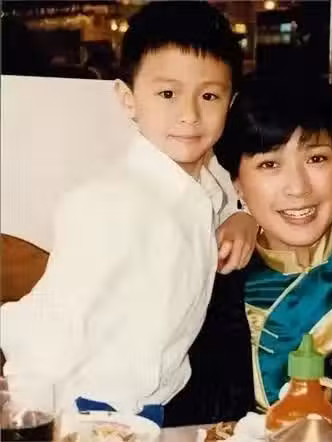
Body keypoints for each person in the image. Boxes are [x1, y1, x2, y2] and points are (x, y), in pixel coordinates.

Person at [0, 1, 257, 426]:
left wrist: (244, 214)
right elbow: (54, 327)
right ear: (128, 98)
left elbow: (220, 200)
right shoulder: (108, 203)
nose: (190, 115)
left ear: (230, 103)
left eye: (209, 95)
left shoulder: (202, 188)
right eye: (168, 94)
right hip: (83, 411)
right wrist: (26, 419)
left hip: (149, 412)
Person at [163, 73, 332, 426]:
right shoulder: (212, 277)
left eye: (317, 159)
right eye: (269, 164)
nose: (297, 188)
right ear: (238, 183)